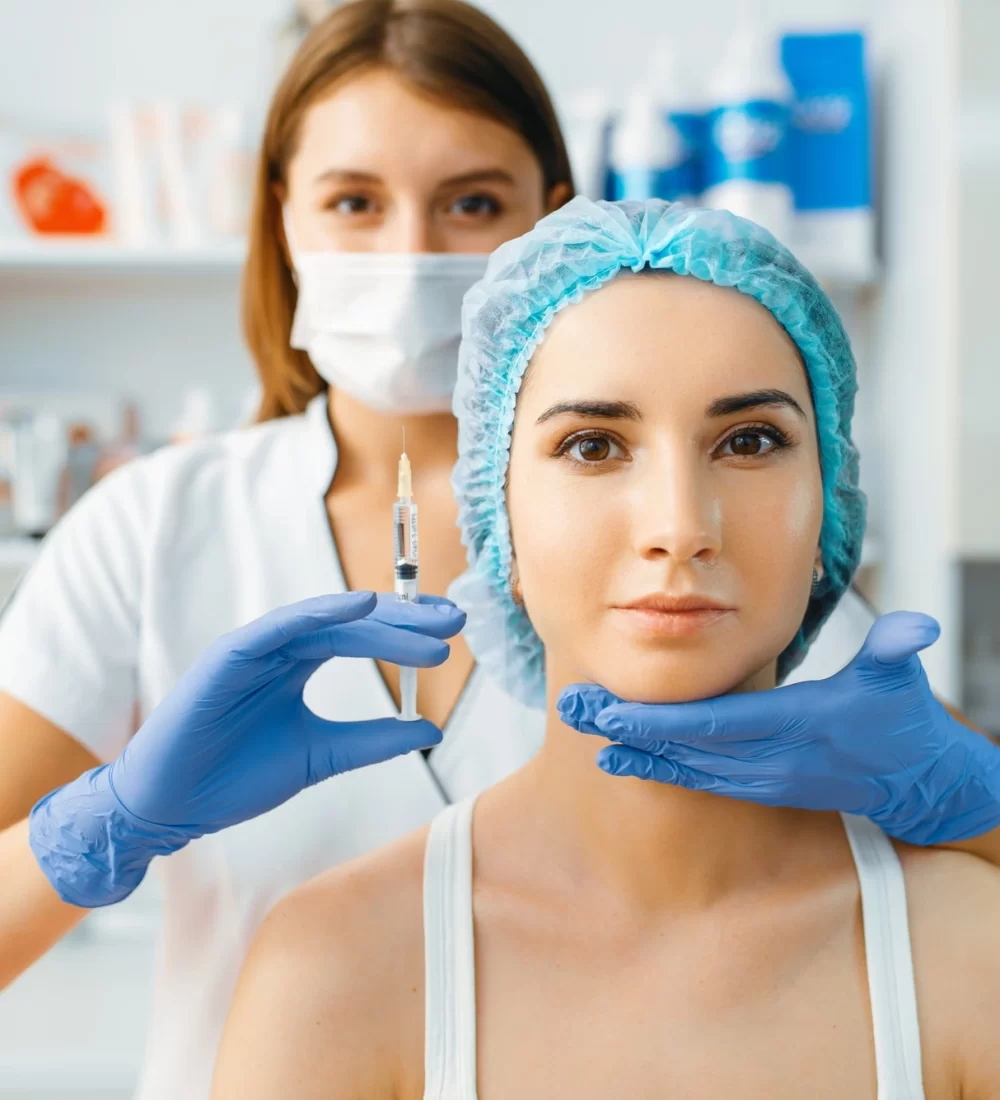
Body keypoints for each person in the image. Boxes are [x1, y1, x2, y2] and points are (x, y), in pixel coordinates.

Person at [1, 0, 998, 1093]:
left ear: (547, 217)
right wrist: (112, 824)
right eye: (354, 201)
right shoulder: (152, 530)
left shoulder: (729, 564)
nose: (411, 252)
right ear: (281, 217)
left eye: (473, 202)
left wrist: (974, 791)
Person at [212, 199, 1000, 1100]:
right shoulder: (335, 973)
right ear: (496, 520)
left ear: (828, 503)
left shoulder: (968, 956)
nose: (679, 526)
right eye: (593, 445)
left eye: (750, 441)